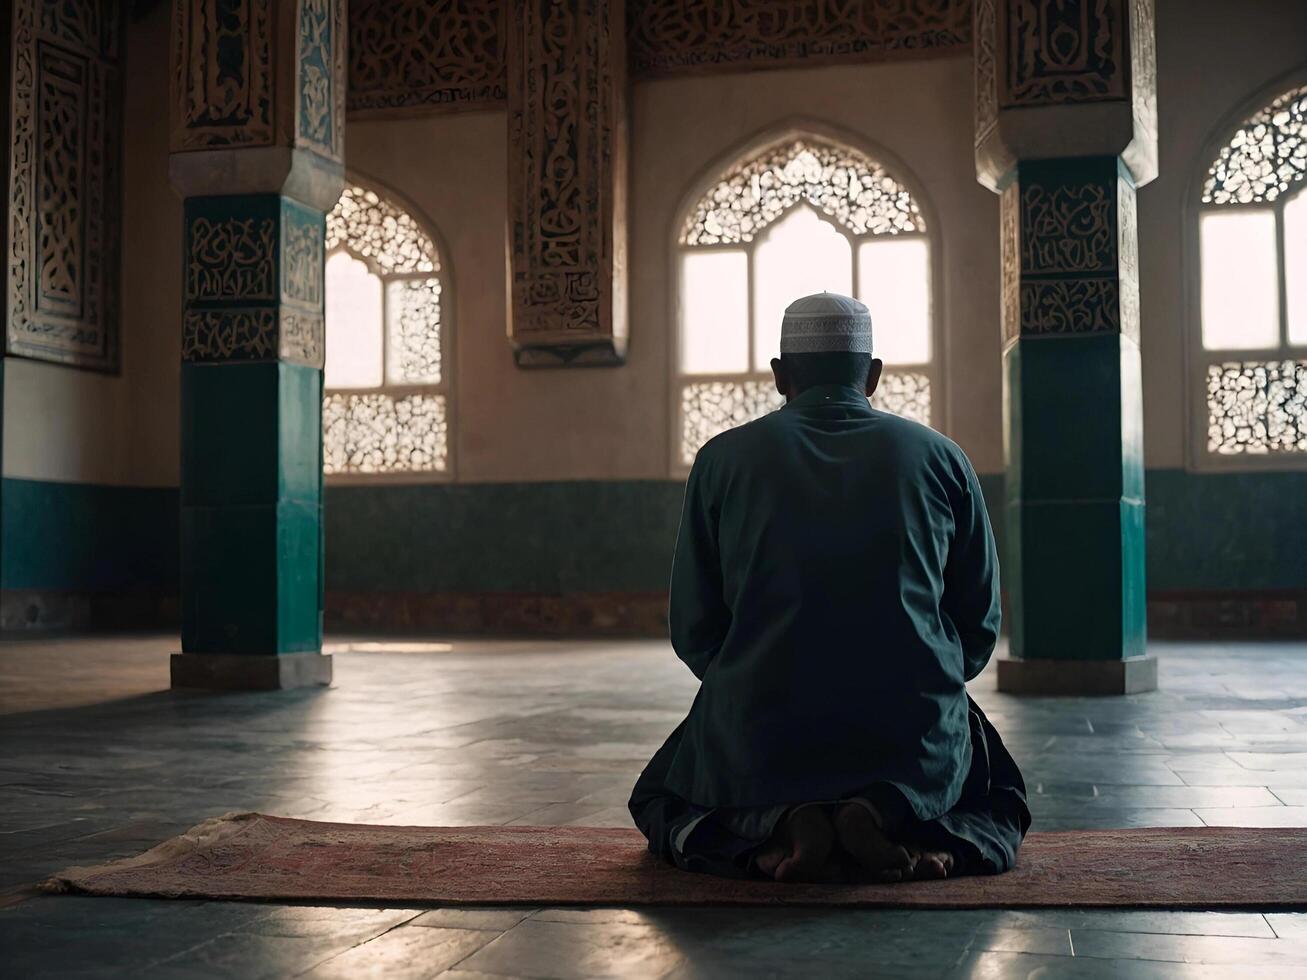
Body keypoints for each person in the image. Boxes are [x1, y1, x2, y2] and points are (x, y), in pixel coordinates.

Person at [629, 292, 1030, 884]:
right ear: (872, 375)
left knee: (667, 795)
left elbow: (694, 627)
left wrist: (750, 680)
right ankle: (882, 812)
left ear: (780, 375)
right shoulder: (943, 458)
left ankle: (787, 820)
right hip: (906, 722)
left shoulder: (721, 460)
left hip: (762, 725)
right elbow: (978, 627)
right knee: (996, 789)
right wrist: (920, 679)